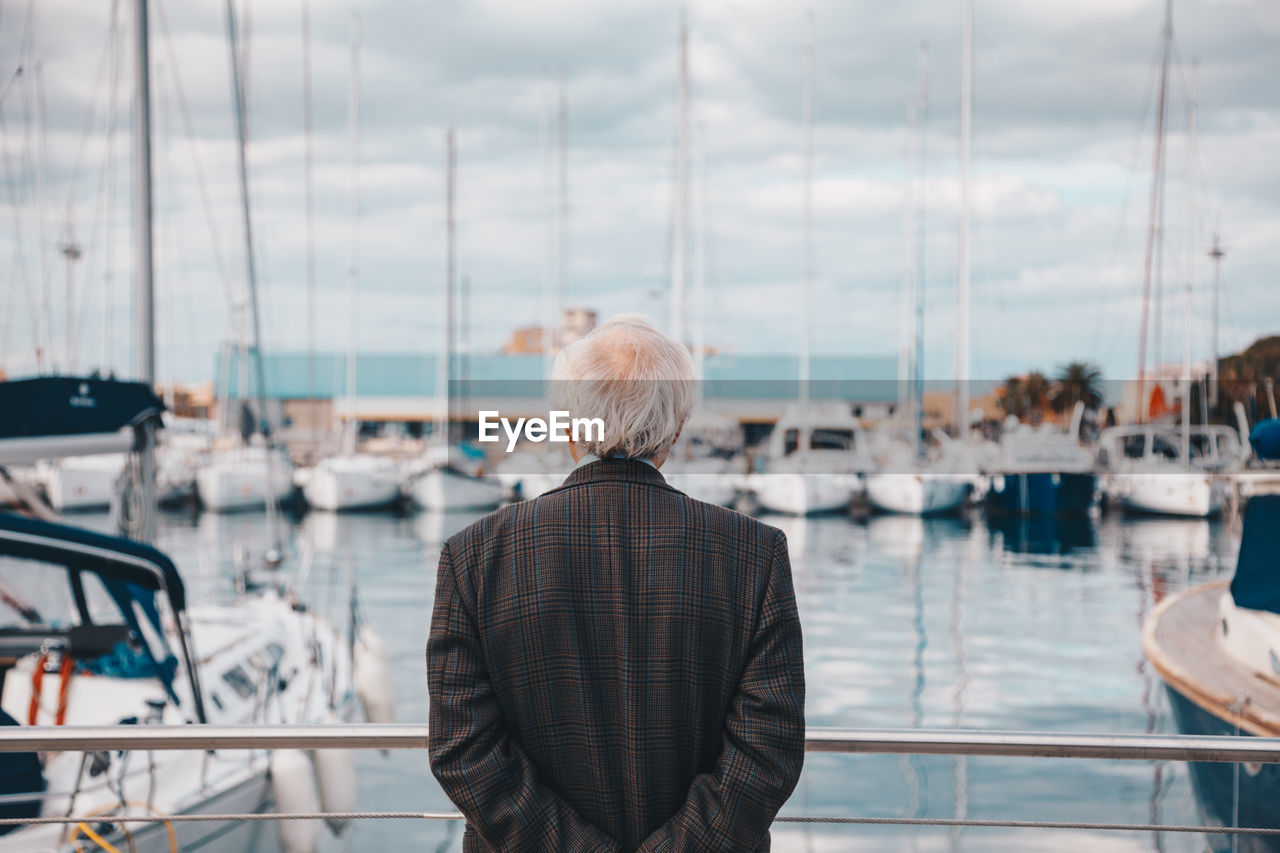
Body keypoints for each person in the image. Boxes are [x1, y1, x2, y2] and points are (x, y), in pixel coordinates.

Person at [428, 314, 805, 851]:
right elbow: (767, 751)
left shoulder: (473, 556)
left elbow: (463, 750)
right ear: (676, 428)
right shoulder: (753, 553)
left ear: (565, 425)